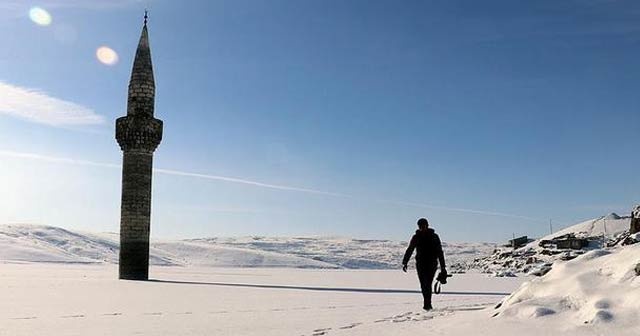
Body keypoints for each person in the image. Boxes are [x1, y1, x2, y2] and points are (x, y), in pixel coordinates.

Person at [402, 218, 446, 311]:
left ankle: (427, 304)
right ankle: (427, 303)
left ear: (427, 225)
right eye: (420, 226)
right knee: (423, 284)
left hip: (432, 264)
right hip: (420, 264)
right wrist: (405, 262)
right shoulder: (416, 237)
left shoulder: (434, 236)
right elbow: (410, 249)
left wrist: (443, 267)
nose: (422, 227)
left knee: (428, 283)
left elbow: (440, 252)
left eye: (424, 225)